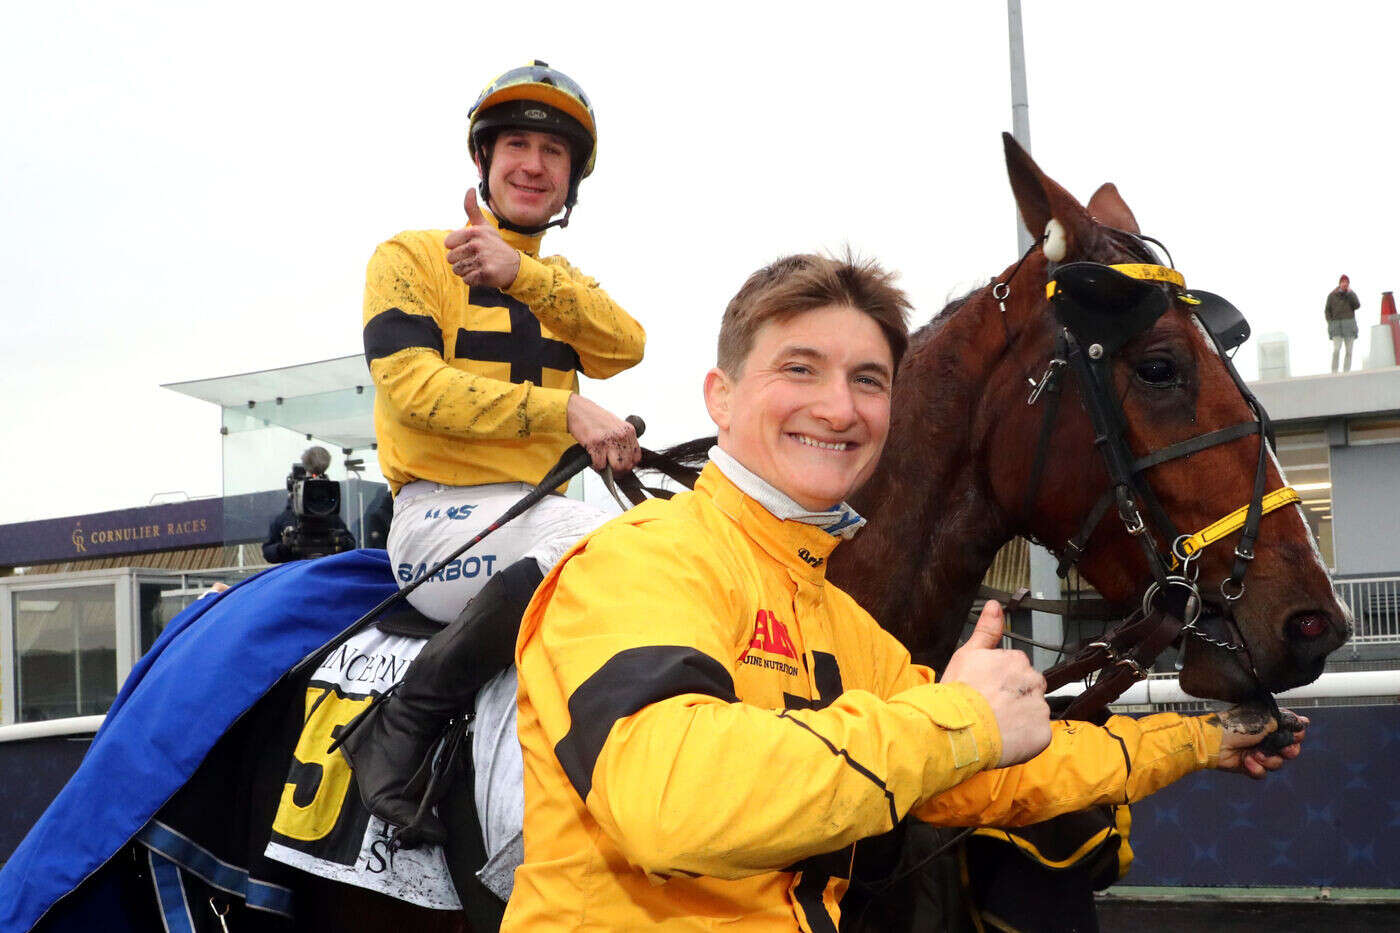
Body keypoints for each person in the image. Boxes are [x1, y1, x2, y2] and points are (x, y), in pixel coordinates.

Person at [500, 253, 1307, 931]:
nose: (839, 407)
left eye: (869, 380)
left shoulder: (843, 625)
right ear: (720, 396)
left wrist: (1202, 741)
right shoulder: (640, 563)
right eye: (799, 369)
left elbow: (992, 771)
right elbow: (669, 801)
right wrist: (959, 717)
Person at [342, 61, 645, 861]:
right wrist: (563, 408)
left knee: (664, 546)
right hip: (438, 528)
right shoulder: (408, 257)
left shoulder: (559, 283)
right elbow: (411, 388)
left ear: (573, 178)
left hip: (538, 525)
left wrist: (525, 275)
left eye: (555, 153)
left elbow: (626, 345)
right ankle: (404, 719)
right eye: (517, 143)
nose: (535, 165)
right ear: (484, 158)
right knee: (605, 542)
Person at [261, 446, 353, 562]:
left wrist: (342, 542)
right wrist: (284, 547)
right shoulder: (287, 518)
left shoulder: (332, 518)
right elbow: (268, 552)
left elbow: (350, 544)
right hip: (300, 573)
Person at [1326, 274, 1361, 372]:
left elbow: (1357, 305)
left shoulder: (1350, 295)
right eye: (1343, 282)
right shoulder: (1332, 295)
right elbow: (1327, 310)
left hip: (1349, 326)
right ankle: (1334, 371)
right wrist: (1330, 322)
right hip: (1336, 327)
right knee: (1336, 349)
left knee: (1349, 351)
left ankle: (1346, 371)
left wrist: (1351, 293)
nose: (1345, 284)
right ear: (1339, 283)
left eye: (1346, 282)